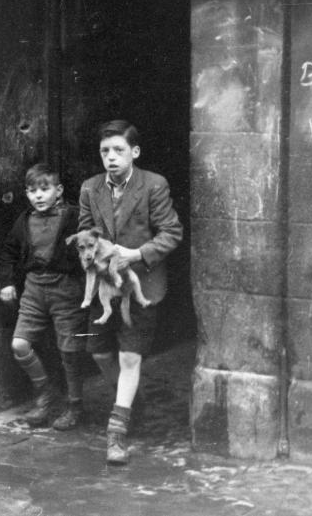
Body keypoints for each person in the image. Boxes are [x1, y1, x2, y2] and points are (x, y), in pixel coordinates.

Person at [78, 120, 183, 464]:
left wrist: (135, 255)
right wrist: (95, 257)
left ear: (134, 152)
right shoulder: (90, 189)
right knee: (99, 353)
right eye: (105, 151)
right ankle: (132, 403)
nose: (111, 157)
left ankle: (117, 432)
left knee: (129, 357)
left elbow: (171, 233)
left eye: (118, 150)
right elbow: (84, 234)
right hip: (106, 288)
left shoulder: (154, 185)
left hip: (141, 283)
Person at [0, 162, 86, 431]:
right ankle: (46, 397)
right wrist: (7, 282)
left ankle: (74, 405)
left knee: (69, 350)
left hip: (65, 288)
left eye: (44, 189)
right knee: (20, 345)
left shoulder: (73, 217)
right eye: (32, 190)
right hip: (34, 288)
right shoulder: (24, 221)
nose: (38, 196)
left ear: (58, 191)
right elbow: (9, 253)